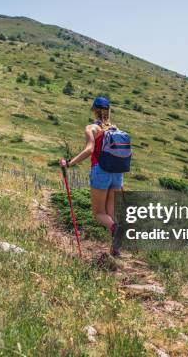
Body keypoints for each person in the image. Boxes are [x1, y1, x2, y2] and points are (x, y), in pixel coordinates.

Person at [60, 96, 122, 256]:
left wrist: (69, 163)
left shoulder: (92, 128)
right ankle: (115, 249)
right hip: (117, 174)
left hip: (101, 172)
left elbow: (89, 150)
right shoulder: (115, 129)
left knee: (98, 213)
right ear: (108, 111)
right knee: (110, 214)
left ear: (94, 110)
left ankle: (117, 230)